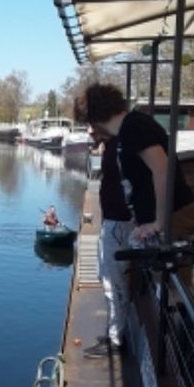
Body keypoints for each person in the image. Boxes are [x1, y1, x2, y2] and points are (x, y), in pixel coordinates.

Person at [84, 83, 194, 249]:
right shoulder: (129, 128)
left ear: (94, 118)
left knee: (166, 271)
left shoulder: (133, 126)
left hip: (175, 215)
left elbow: (162, 169)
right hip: (166, 216)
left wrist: (160, 222)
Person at [74, 95, 135, 357]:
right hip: (112, 221)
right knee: (106, 278)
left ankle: (116, 341)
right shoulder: (112, 144)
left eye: (92, 124)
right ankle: (113, 332)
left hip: (121, 223)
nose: (89, 130)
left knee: (114, 283)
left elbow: (132, 185)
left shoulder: (122, 144)